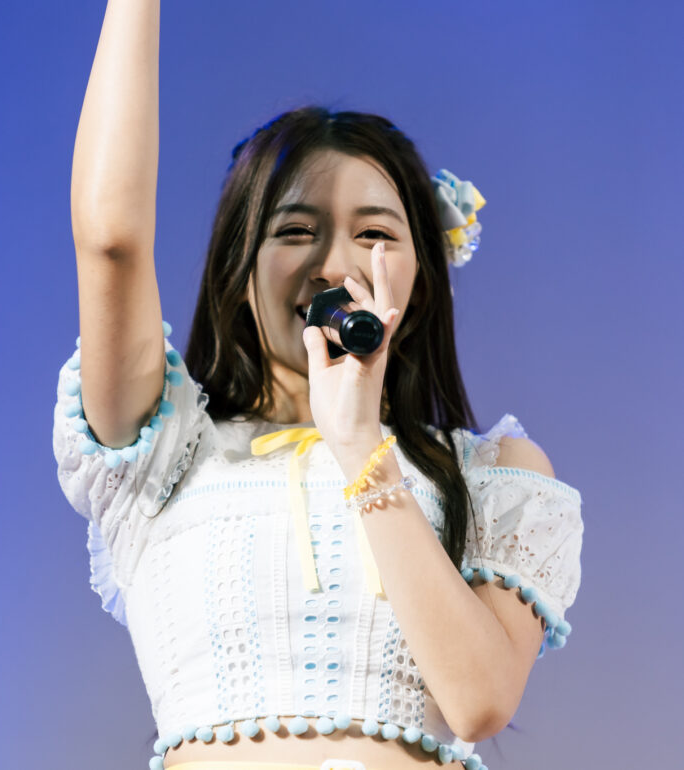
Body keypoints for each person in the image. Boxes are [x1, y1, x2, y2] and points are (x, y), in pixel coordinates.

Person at [53, 3, 584, 769]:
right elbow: (111, 242)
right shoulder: (163, 449)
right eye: (296, 231)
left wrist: (361, 445)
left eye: (374, 234)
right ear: (239, 273)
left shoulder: (491, 474)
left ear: (421, 280)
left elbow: (479, 699)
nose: (334, 266)